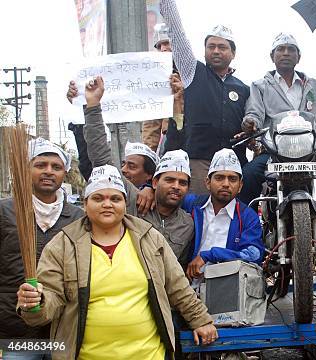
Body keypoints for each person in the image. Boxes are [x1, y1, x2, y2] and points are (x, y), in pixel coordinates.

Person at [16, 165, 216, 359]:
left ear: (124, 204)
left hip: (149, 354)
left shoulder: (148, 237)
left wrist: (200, 320)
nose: (107, 204)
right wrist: (37, 301)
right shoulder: (64, 244)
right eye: (98, 198)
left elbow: (177, 286)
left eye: (115, 198)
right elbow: (50, 300)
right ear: (85, 204)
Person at [238, 33, 316, 219]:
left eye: (291, 49)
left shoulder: (313, 86)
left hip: (309, 156)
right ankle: (245, 230)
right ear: (272, 56)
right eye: (280, 49)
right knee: (248, 177)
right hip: (273, 155)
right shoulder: (260, 86)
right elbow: (254, 114)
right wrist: (250, 123)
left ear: (299, 57)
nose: (286, 53)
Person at [78, 76, 194, 269]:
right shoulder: (132, 200)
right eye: (170, 180)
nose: (176, 186)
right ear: (155, 182)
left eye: (182, 183)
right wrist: (92, 106)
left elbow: (177, 270)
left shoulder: (188, 224)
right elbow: (101, 159)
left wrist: (178, 105)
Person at [0, 138, 84, 359]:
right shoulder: (5, 211)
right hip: (13, 331)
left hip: (61, 329)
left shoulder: (78, 218)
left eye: (56, 167)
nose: (48, 172)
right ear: (27, 169)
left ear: (64, 173)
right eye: (40, 165)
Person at [160, 0, 249, 195]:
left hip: (234, 167)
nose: (216, 51)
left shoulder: (244, 89)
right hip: (199, 162)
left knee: (231, 219)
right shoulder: (193, 72)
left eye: (222, 47)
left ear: (233, 53)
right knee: (199, 215)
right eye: (211, 46)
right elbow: (176, 33)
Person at [181, 149, 265, 281]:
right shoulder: (192, 204)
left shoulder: (248, 216)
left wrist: (211, 255)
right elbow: (165, 195)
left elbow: (254, 255)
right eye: (219, 178)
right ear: (208, 182)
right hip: (186, 286)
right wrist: (148, 189)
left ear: (240, 185)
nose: (226, 184)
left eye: (232, 179)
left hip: (227, 289)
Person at [142, 22, 174, 154]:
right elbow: (151, 121)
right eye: (159, 46)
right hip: (169, 138)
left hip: (195, 139)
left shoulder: (194, 71)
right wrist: (148, 154)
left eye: (167, 43)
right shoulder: (155, 78)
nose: (163, 49)